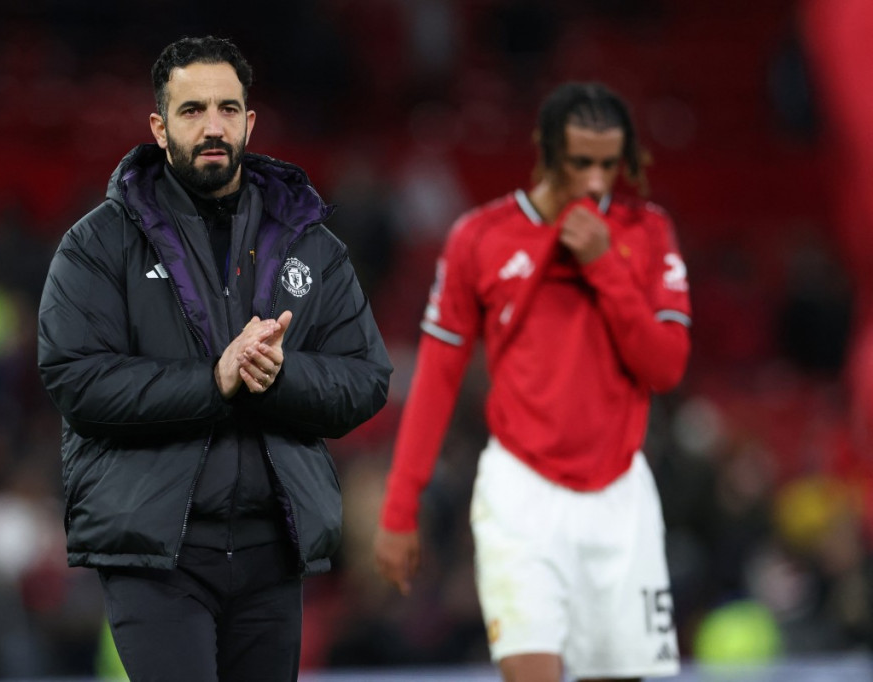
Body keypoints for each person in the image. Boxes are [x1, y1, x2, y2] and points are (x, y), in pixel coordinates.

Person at [37, 35, 392, 681]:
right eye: (192, 110)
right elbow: (76, 379)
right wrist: (214, 381)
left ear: (250, 122)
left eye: (228, 109)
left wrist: (280, 377)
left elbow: (367, 378)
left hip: (271, 550)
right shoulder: (98, 244)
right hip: (156, 555)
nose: (212, 127)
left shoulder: (308, 244)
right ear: (158, 125)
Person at [374, 82, 691, 682]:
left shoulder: (646, 232)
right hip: (521, 491)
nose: (597, 182)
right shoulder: (481, 236)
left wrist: (604, 265)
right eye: (581, 163)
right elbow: (438, 379)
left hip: (620, 495)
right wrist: (399, 507)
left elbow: (666, 366)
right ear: (545, 153)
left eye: (609, 164)